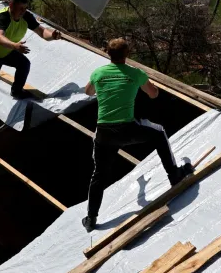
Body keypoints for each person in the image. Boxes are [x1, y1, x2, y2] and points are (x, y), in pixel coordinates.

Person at [82, 37, 193, 232]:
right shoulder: (135, 73)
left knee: (98, 175)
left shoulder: (98, 73)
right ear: (127, 54)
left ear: (108, 53)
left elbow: (88, 92)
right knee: (159, 133)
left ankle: (91, 218)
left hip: (104, 133)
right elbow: (153, 94)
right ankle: (174, 175)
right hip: (127, 130)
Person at [0, 0, 61, 138]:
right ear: (11, 5)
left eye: (25, 8)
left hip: (7, 51)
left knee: (24, 63)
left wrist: (52, 35)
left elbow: (42, 32)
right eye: (20, 8)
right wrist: (15, 46)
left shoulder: (26, 17)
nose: (23, 11)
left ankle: (16, 91)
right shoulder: (2, 17)